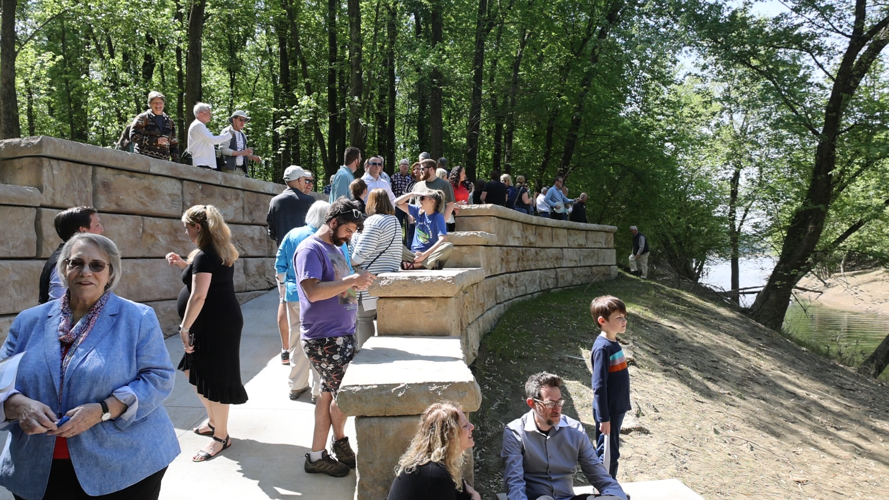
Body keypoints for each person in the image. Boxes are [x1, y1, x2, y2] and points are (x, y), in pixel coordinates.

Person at [1, 233, 179, 500]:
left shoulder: (137, 318)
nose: (86, 272)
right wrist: (20, 406)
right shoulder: (29, 321)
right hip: (37, 469)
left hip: (123, 465)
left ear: (110, 273)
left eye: (97, 265)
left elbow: (159, 378)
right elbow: (2, 379)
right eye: (77, 263)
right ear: (64, 269)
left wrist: (104, 409)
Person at [297, 199, 376, 477]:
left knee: (328, 394)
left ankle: (318, 455)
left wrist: (355, 287)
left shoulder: (336, 247)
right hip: (325, 339)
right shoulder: (310, 249)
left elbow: (343, 293)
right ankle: (340, 443)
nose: (350, 236)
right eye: (349, 230)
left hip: (341, 335)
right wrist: (352, 281)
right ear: (332, 223)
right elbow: (313, 292)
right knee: (343, 394)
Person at [166, 205, 248, 462]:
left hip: (215, 325)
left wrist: (185, 328)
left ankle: (221, 437)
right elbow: (204, 276)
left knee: (215, 381)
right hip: (218, 321)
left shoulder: (204, 256)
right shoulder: (218, 251)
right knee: (194, 372)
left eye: (187, 227)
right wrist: (184, 264)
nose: (186, 231)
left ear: (198, 227)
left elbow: (199, 295)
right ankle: (214, 422)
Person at [502, 372, 627, 500]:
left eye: (559, 402)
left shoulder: (575, 430)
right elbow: (514, 482)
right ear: (532, 403)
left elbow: (598, 474)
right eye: (550, 404)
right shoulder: (515, 432)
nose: (557, 409)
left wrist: (618, 496)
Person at [275, 202, 332, 403]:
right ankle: (318, 390)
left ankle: (296, 385)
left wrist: (283, 289)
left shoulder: (292, 234)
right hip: (320, 295)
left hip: (293, 293)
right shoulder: (329, 239)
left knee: (296, 338)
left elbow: (279, 264)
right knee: (319, 342)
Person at [267, 166, 317, 364]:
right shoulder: (308, 202)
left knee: (283, 300)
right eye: (305, 180)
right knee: (310, 298)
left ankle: (286, 349)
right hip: (307, 256)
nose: (307, 184)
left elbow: (270, 230)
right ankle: (308, 346)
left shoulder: (275, 201)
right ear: (298, 181)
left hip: (284, 257)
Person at [387, 402, 482, 500]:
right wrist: (476, 497)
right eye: (465, 425)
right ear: (450, 435)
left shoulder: (436, 467)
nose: (472, 426)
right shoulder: (434, 476)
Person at [349, 189, 403, 350]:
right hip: (387, 277)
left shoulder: (372, 222)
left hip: (365, 279)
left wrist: (345, 263)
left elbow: (360, 254)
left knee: (362, 318)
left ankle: (364, 354)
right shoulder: (394, 221)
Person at [589, 296, 632, 479]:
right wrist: (604, 418)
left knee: (612, 451)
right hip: (609, 412)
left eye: (625, 317)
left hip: (617, 409)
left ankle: (609, 490)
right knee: (607, 454)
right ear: (602, 321)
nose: (624, 321)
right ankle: (605, 492)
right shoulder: (602, 348)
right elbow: (599, 386)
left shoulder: (614, 343)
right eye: (619, 318)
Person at [39, 206, 104, 304]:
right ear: (83, 231)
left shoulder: (70, 256)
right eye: (97, 225)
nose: (101, 229)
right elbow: (57, 305)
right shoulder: (65, 261)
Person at [396, 190, 454, 270]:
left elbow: (443, 239)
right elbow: (397, 203)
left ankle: (418, 265)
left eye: (423, 198)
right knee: (395, 244)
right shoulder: (417, 211)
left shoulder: (438, 217)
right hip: (414, 255)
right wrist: (413, 193)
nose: (420, 200)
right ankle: (425, 264)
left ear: (432, 201)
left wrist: (424, 255)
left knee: (448, 246)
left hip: (430, 255)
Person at [130, 91, 179, 162]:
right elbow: (134, 136)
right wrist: (155, 141)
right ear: (150, 104)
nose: (158, 105)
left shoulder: (170, 122)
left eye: (160, 102)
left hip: (163, 161)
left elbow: (174, 144)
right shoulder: (143, 118)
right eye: (155, 103)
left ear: (164, 104)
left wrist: (176, 162)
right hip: (143, 159)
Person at [185, 103, 233, 170]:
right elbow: (213, 140)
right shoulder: (198, 125)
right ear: (202, 113)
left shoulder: (199, 125)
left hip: (203, 164)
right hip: (201, 164)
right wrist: (229, 135)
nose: (211, 115)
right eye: (209, 112)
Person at [219, 110, 262, 176]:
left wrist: (253, 157)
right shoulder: (227, 131)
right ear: (234, 120)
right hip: (229, 170)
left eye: (244, 120)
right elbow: (223, 149)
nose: (243, 122)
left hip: (241, 171)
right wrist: (241, 153)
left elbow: (244, 153)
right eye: (240, 120)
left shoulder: (243, 135)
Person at [447, 166, 470, 232]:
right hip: (453, 215)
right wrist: (456, 203)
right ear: (457, 174)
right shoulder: (450, 186)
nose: (465, 175)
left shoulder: (464, 185)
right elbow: (446, 201)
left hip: (465, 214)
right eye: (463, 173)